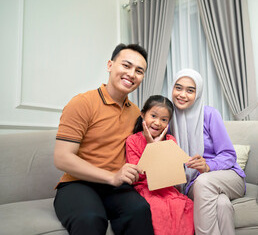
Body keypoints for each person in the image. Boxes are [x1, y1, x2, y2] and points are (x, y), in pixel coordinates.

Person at [53, 43, 154, 235]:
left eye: (139, 71)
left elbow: (138, 150)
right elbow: (62, 158)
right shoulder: (82, 103)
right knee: (90, 219)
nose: (132, 74)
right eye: (126, 65)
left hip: (115, 187)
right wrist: (112, 177)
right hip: (77, 183)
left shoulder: (136, 113)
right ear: (110, 65)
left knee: (141, 210)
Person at [170, 68, 246, 235]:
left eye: (190, 90)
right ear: (172, 89)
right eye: (178, 88)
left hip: (227, 177)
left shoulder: (209, 114)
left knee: (204, 182)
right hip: (191, 184)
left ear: (198, 93)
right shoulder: (167, 117)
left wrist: (207, 166)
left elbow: (229, 155)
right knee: (222, 205)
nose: (182, 94)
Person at [126, 95, 194, 235]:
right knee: (157, 209)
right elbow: (137, 175)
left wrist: (158, 147)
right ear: (143, 115)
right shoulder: (132, 140)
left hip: (167, 189)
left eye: (164, 119)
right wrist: (152, 147)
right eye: (153, 116)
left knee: (186, 206)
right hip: (145, 189)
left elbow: (172, 172)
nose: (157, 123)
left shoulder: (170, 140)